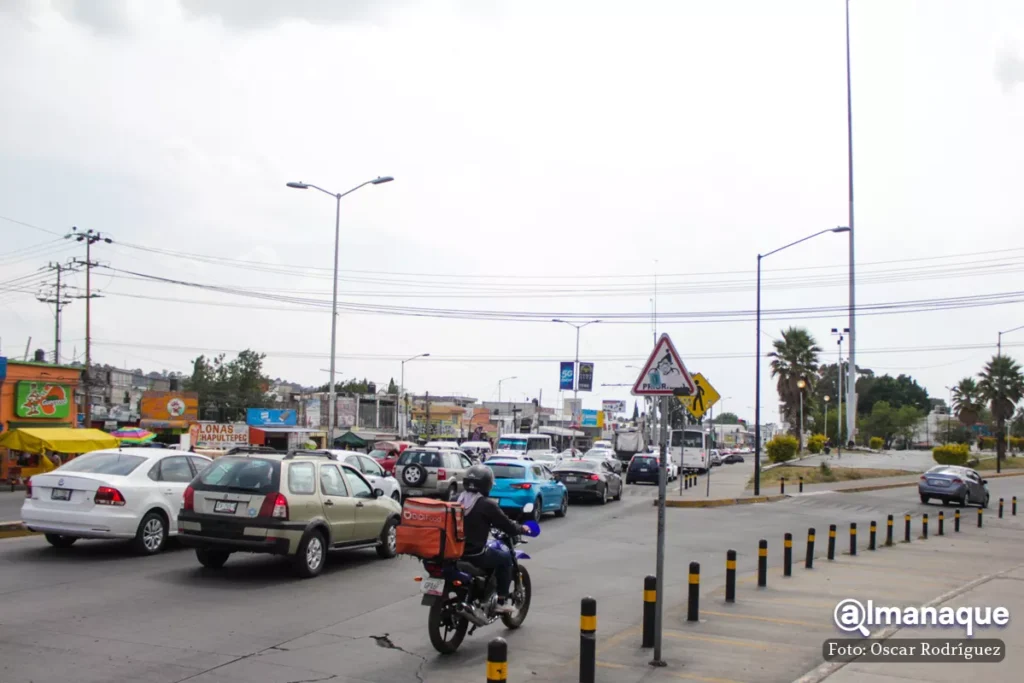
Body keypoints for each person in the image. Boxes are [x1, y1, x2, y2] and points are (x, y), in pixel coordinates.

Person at [458, 464, 529, 614]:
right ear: (487, 485)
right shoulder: (487, 504)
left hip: (453, 552)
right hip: (474, 554)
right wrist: (521, 528)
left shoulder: (454, 499)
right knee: (505, 558)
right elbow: (506, 525)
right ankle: (501, 602)